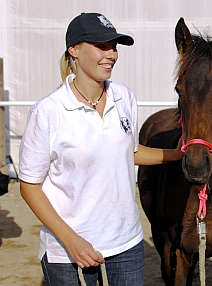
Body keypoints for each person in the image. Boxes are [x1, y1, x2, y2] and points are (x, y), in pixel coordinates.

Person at [18, 13, 183, 286]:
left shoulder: (124, 96)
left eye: (114, 47)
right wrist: (71, 241)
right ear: (74, 49)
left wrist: (178, 154)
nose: (111, 54)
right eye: (101, 46)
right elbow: (29, 185)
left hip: (126, 243)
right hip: (68, 250)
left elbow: (129, 153)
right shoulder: (48, 111)